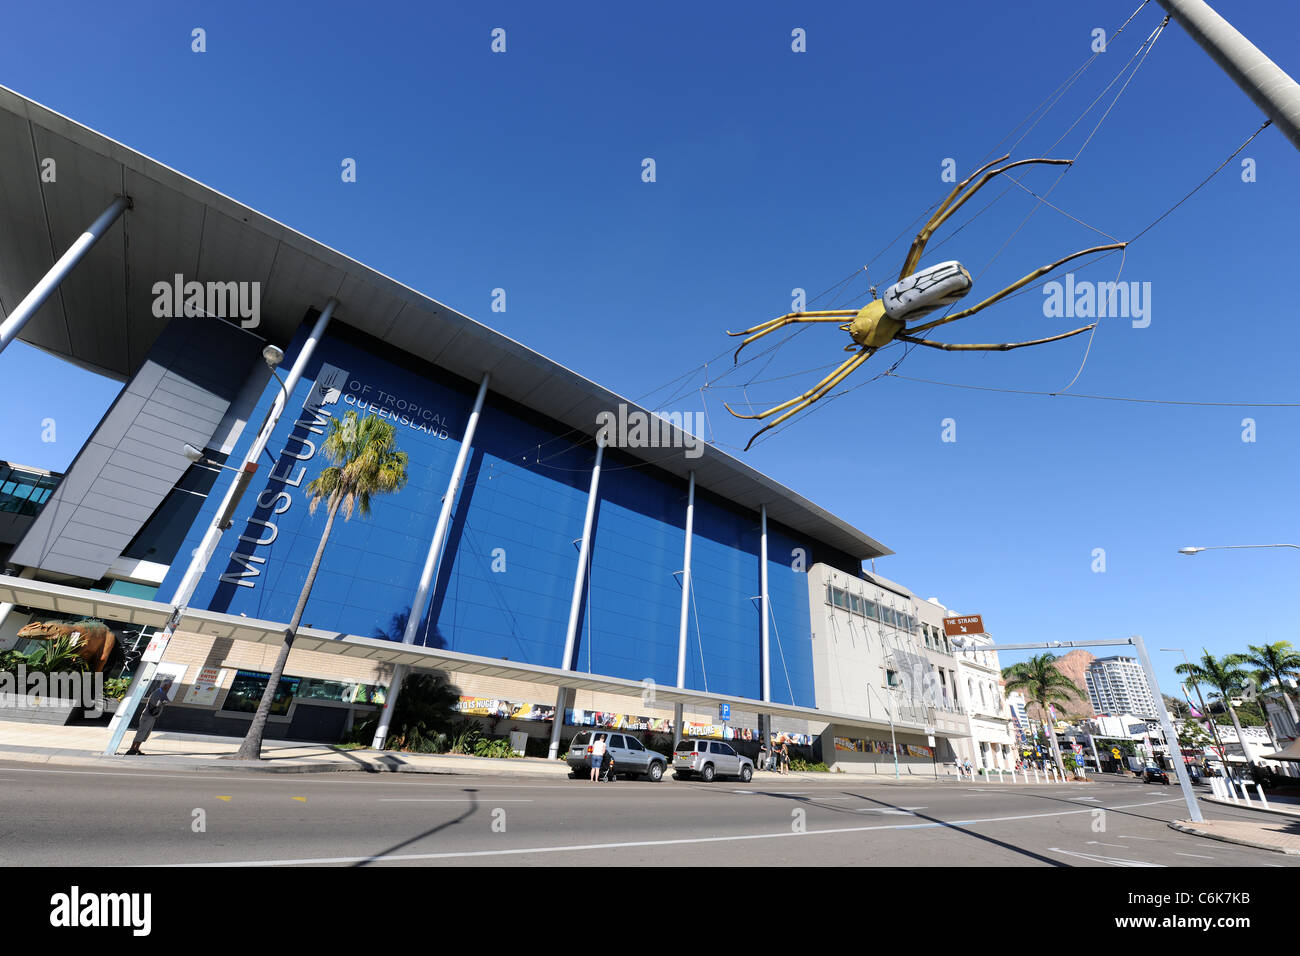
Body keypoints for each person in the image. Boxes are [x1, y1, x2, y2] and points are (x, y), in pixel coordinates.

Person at [124, 678, 174, 756]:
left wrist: (165, 702)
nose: (170, 687)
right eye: (169, 685)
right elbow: (154, 703)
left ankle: (136, 748)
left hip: (153, 716)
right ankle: (132, 749)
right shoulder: (157, 693)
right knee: (141, 732)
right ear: (165, 685)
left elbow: (167, 701)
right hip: (148, 715)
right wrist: (162, 703)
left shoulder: (163, 693)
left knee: (146, 733)